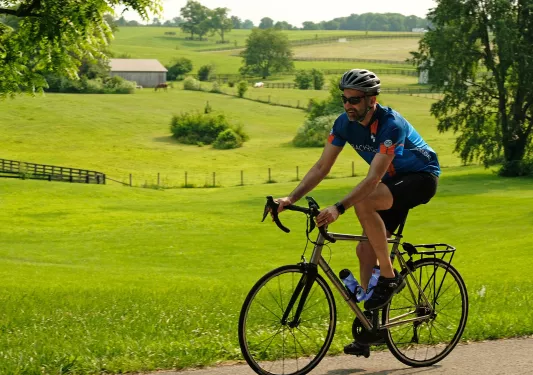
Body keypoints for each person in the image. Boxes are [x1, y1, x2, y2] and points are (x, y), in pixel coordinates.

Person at [274, 68, 440, 355]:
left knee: (363, 200)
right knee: (365, 251)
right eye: (345, 99)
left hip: (421, 178)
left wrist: (339, 207)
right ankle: (371, 328)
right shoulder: (343, 124)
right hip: (391, 183)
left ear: (371, 99)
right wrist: (290, 198)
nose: (349, 105)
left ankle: (388, 278)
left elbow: (373, 178)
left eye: (355, 99)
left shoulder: (391, 125)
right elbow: (321, 167)